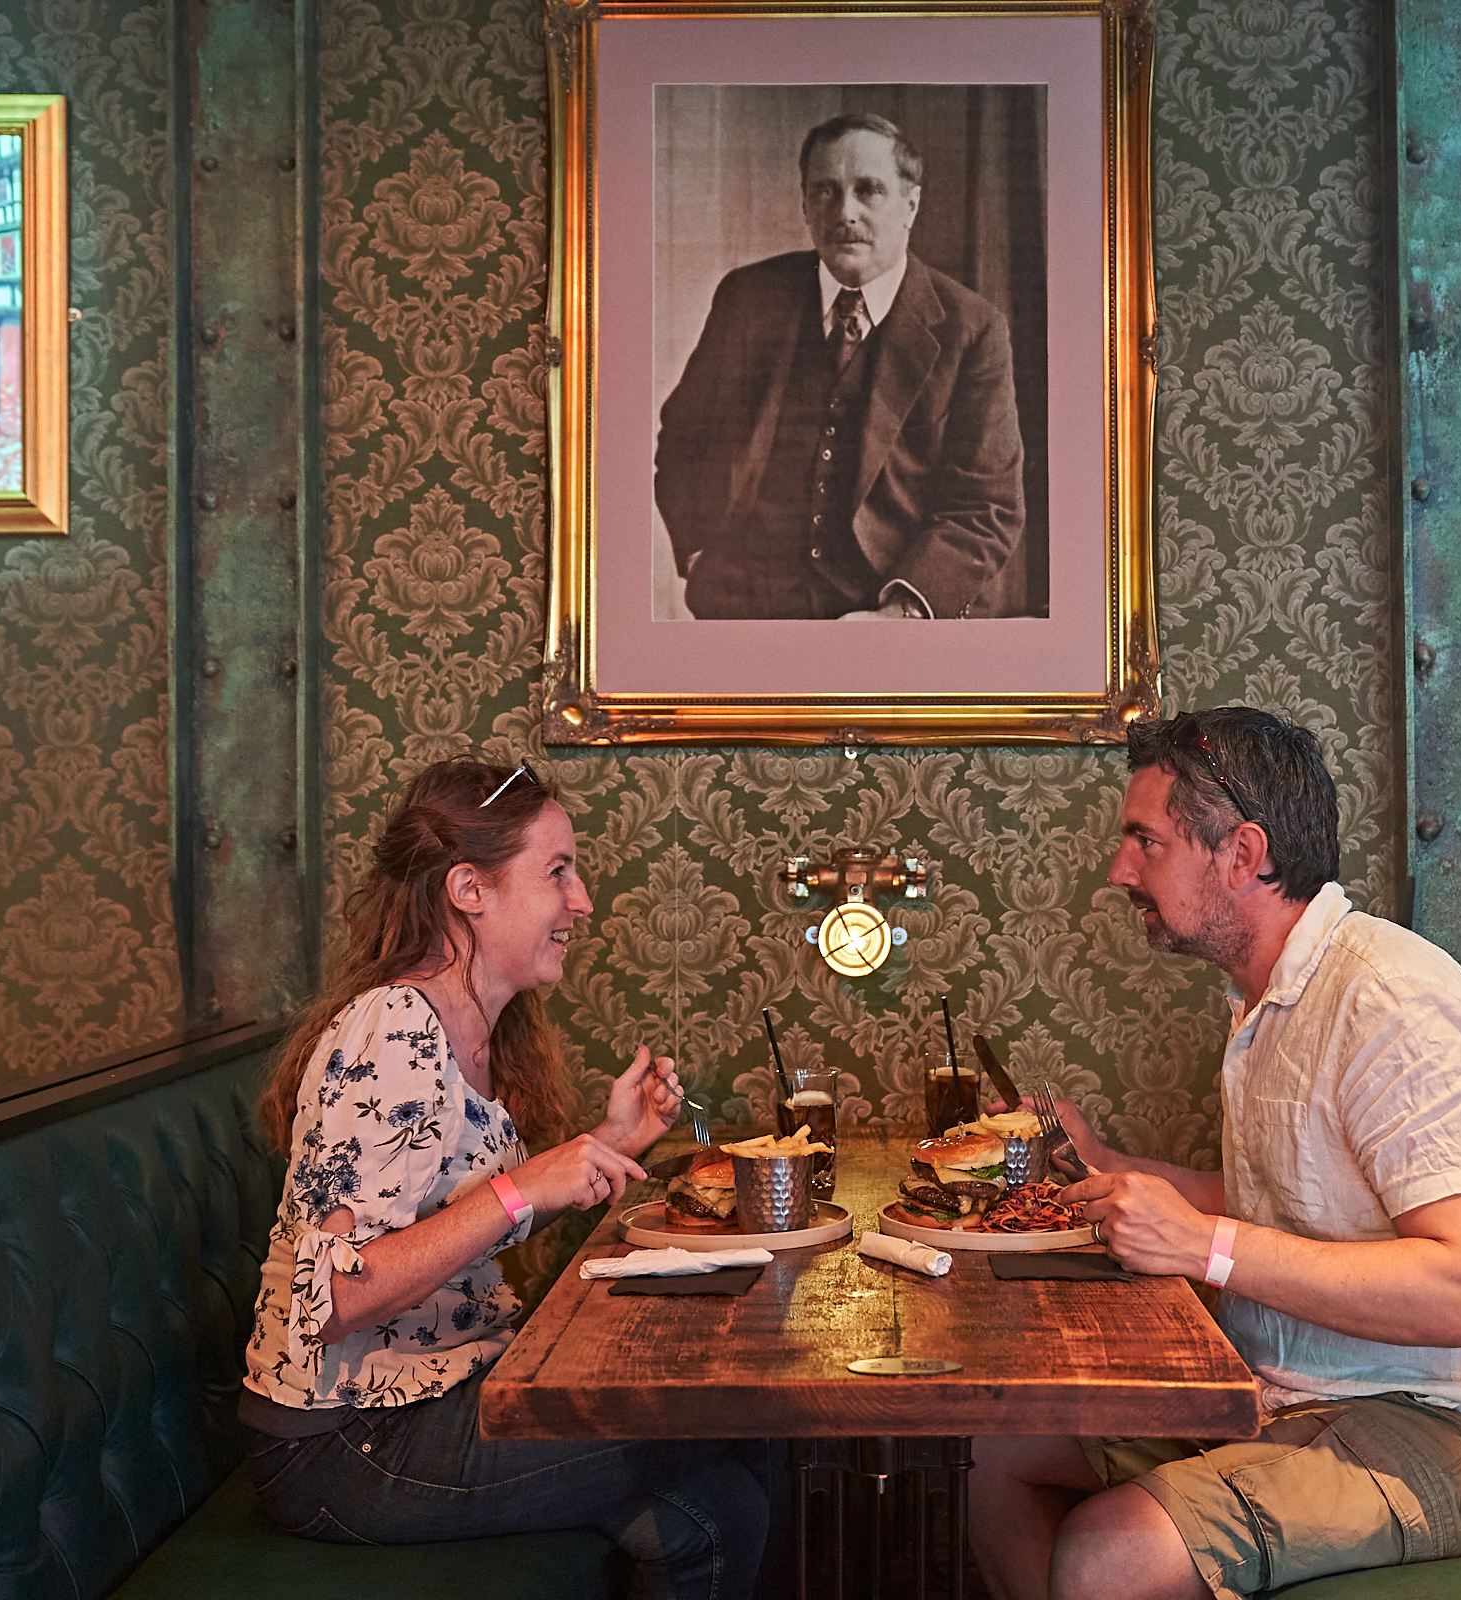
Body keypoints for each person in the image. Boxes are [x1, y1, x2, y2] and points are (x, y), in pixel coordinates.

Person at [971, 709, 1461, 1600]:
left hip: (1455, 1424)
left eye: (1146, 842)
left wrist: (1201, 1247)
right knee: (989, 1452)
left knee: (1109, 1552)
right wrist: (1104, 1160)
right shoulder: (1268, 1000)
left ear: (1244, 854)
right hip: (1283, 1396)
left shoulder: (1388, 999)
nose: (1119, 871)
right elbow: (1285, 1207)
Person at [240, 757, 777, 1597]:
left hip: (438, 1389)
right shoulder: (393, 1029)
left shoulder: (477, 1029)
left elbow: (453, 1225)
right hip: (345, 1442)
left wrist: (608, 1141)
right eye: (557, 871)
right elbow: (336, 1299)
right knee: (737, 1404)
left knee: (721, 1505)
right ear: (469, 889)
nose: (582, 900)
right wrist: (526, 1186)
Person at [655, 110, 1027, 621]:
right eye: (825, 191)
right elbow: (684, 437)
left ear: (910, 205)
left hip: (889, 615)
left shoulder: (972, 329)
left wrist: (901, 613)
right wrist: (700, 554)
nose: (844, 211)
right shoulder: (748, 299)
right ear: (805, 205)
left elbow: (986, 505)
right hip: (746, 610)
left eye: (868, 190)